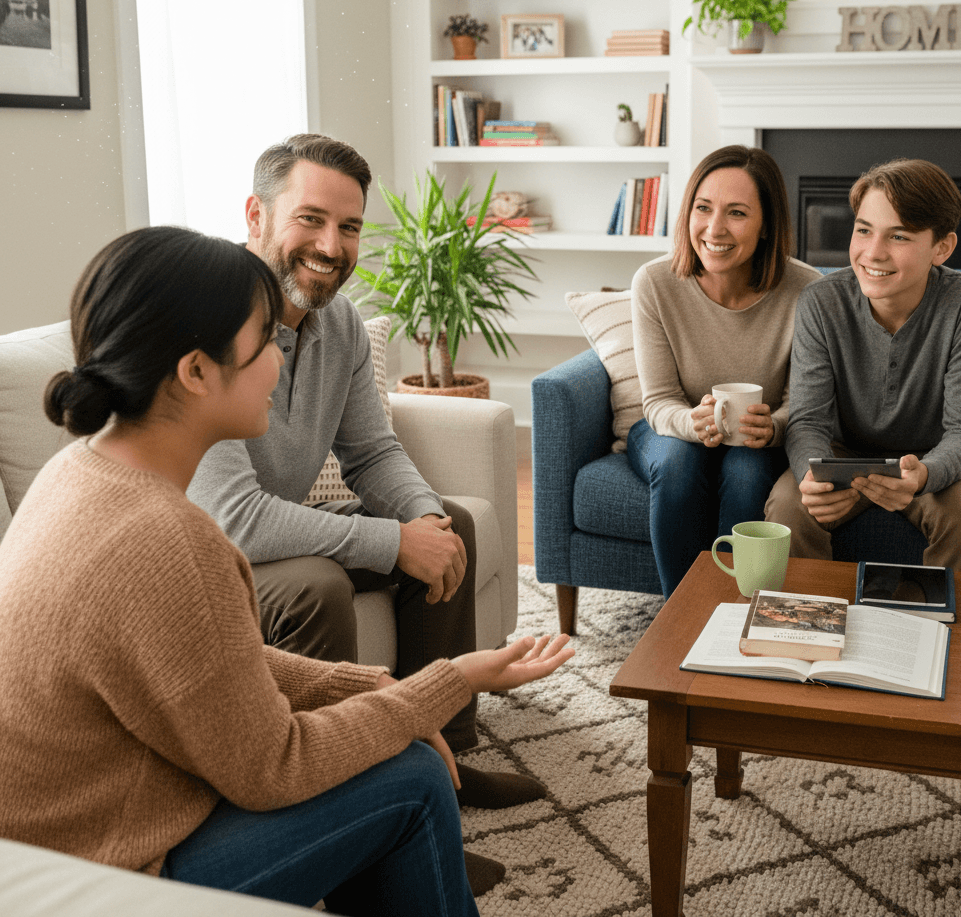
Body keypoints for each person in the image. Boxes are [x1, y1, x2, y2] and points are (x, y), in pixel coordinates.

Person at [0, 226, 573, 916]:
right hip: (96, 876)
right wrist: (435, 691)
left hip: (48, 842)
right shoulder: (167, 541)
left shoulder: (80, 469)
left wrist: (371, 688)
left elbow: (210, 661)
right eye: (265, 340)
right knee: (413, 776)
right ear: (196, 371)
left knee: (387, 749)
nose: (280, 360)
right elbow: (274, 768)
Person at [186, 133, 541, 890]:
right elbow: (234, 519)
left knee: (454, 523)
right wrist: (390, 541)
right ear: (255, 214)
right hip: (213, 552)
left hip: (278, 521)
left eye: (348, 227)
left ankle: (440, 756)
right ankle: (356, 814)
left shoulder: (340, 322)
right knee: (318, 581)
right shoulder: (208, 316)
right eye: (310, 219)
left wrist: (426, 524)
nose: (331, 245)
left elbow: (370, 452)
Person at [765, 158, 961, 571]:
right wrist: (815, 476)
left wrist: (924, 474)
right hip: (841, 456)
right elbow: (808, 422)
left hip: (934, 457)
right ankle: (801, 630)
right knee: (789, 505)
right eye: (863, 230)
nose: (873, 252)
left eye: (900, 236)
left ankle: (954, 634)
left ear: (941, 247)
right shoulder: (821, 302)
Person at [627, 145, 821, 597]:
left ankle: (736, 610)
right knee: (677, 462)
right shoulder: (654, 284)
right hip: (671, 430)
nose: (714, 229)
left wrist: (771, 426)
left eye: (736, 213)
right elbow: (657, 401)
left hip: (757, 442)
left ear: (767, 224)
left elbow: (806, 404)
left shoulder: (808, 290)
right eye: (703, 208)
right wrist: (689, 423)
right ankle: (682, 615)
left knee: (748, 472)